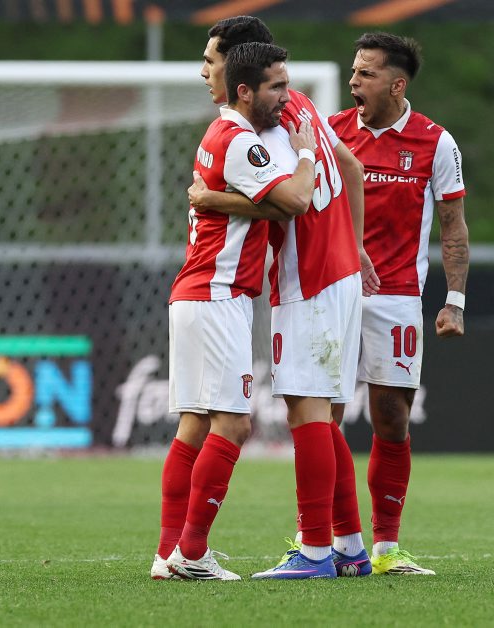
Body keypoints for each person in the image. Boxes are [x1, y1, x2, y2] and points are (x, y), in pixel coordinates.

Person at [186, 15, 375, 580]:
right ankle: (349, 547)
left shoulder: (266, 124)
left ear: (239, 70)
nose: (207, 71)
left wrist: (213, 199)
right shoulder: (304, 106)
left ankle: (314, 551)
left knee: (307, 411)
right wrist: (357, 245)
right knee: (323, 416)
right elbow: (352, 166)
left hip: (310, 276)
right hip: (340, 268)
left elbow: (292, 200)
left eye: (213, 60)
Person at [154, 41, 318, 581]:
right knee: (234, 424)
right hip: (218, 295)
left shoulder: (218, 132)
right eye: (276, 86)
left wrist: (218, 200)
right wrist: (305, 153)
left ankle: (168, 553)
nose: (286, 96)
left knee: (194, 425)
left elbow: (257, 204)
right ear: (245, 89)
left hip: (197, 292)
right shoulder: (242, 141)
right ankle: (192, 553)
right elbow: (295, 201)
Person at [327, 32, 469, 575]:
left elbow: (453, 227)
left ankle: (387, 547)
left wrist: (454, 300)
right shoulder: (332, 133)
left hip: (398, 298)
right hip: (334, 293)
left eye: (365, 73)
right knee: (325, 417)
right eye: (354, 71)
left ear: (396, 84)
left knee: (391, 417)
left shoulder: (436, 142)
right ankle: (328, 541)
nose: (353, 81)